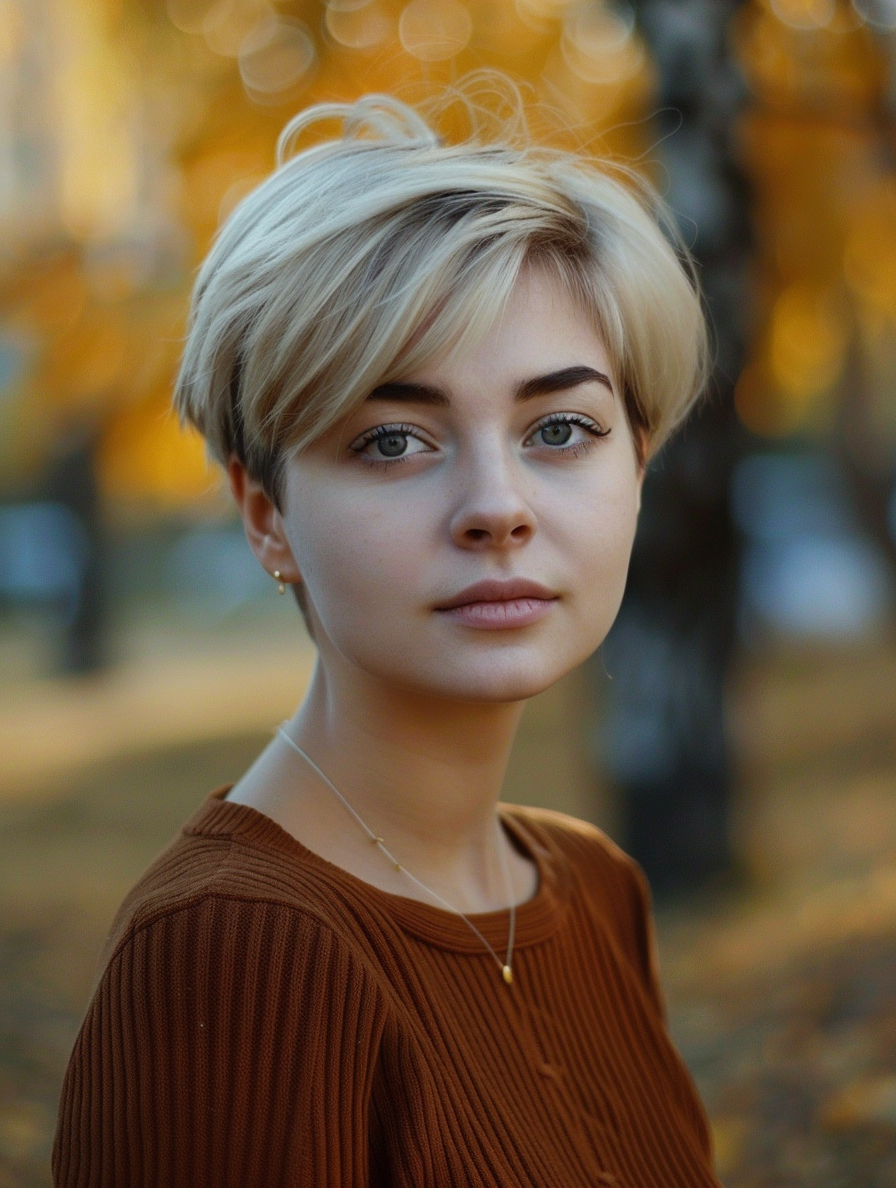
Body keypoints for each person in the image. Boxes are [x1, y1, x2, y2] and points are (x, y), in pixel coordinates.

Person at [53, 90, 721, 1187]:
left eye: (559, 429)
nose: (495, 506)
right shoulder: (233, 952)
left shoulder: (594, 891)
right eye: (394, 440)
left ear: (635, 465)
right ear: (266, 514)